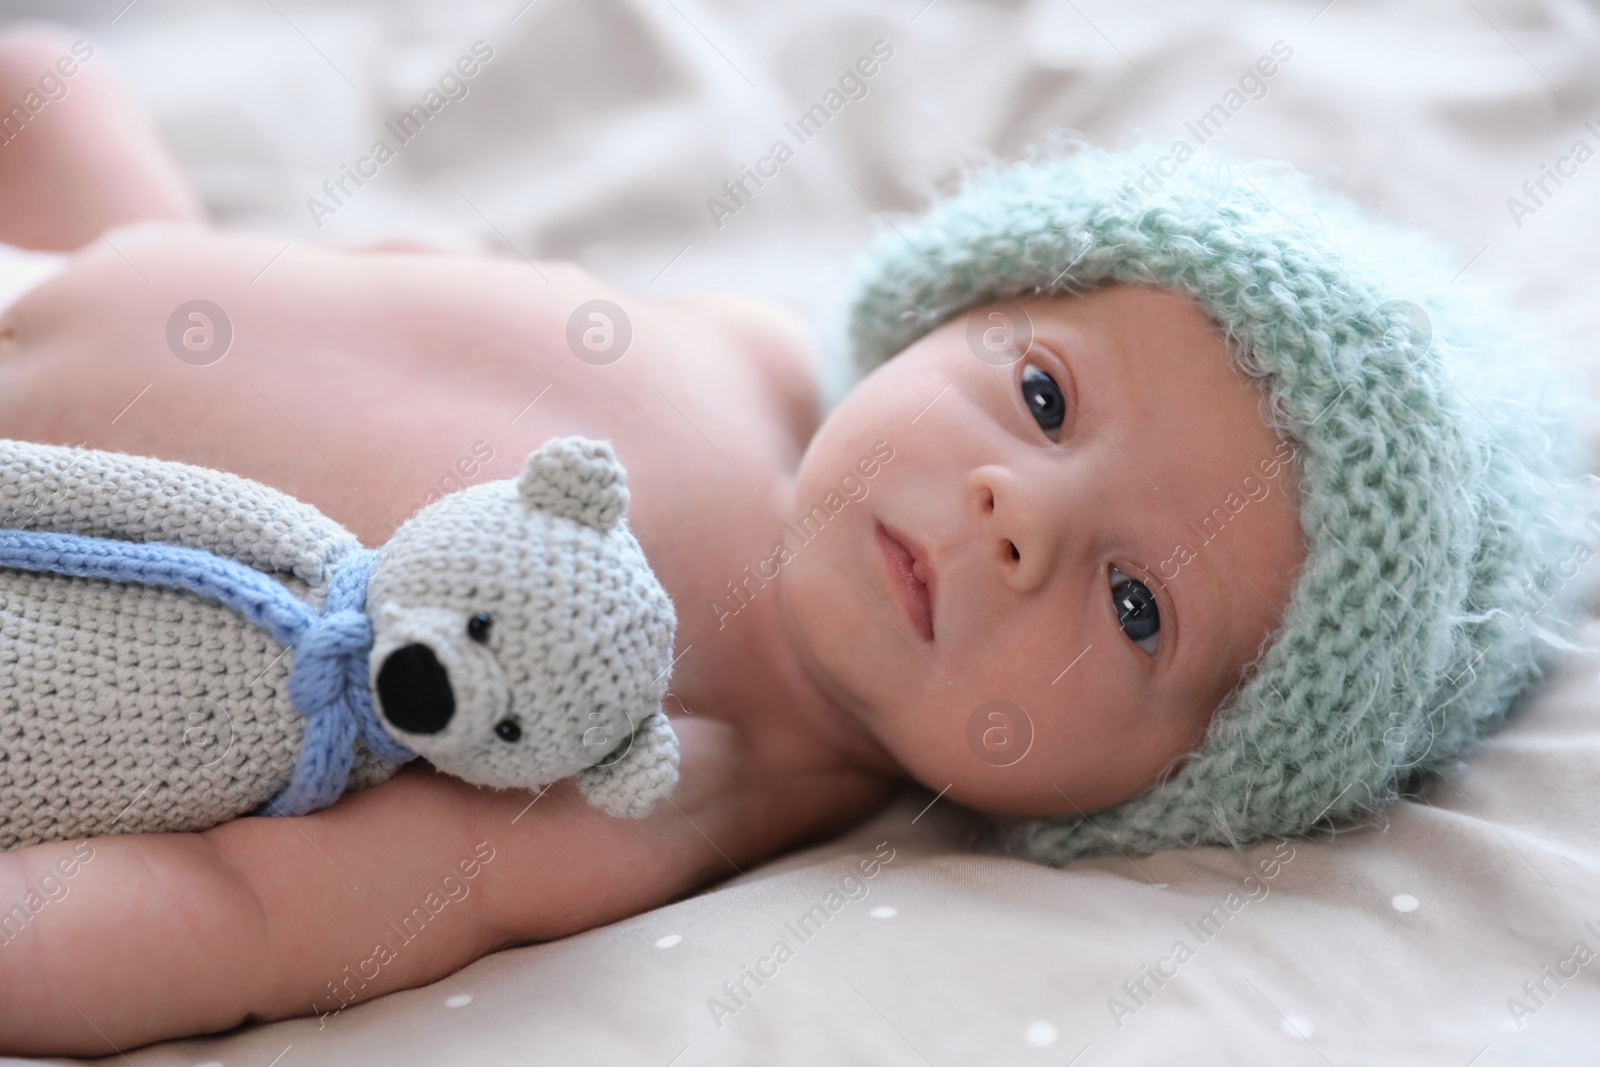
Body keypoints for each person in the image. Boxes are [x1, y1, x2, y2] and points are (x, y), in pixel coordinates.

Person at [0, 23, 1590, 1056]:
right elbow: (424, 299)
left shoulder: (712, 757)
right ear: (959, 303)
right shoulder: (755, 352)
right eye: (1042, 394)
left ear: (1164, 791)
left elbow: (265, 915)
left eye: (1133, 602)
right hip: (109, 269)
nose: (1014, 519)